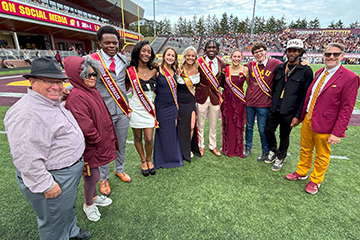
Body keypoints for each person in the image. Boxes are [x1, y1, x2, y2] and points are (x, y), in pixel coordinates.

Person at [4, 58, 91, 240]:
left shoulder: (48, 101)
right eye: (48, 81)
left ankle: (71, 233)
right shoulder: (28, 114)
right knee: (53, 222)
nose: (56, 86)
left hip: (65, 171)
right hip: (53, 176)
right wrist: (46, 184)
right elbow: (25, 158)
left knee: (65, 209)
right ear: (33, 82)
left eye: (58, 81)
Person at [285, 43, 360, 194]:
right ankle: (302, 171)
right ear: (323, 55)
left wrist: (338, 132)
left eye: (335, 54)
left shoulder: (350, 77)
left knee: (322, 154)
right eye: (328, 54)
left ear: (342, 56)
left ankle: (316, 180)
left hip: (326, 123)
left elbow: (347, 108)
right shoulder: (319, 72)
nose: (331, 57)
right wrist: (300, 117)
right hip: (308, 118)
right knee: (305, 149)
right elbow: (310, 96)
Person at [64, 56, 117, 221]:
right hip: (90, 146)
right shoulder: (77, 96)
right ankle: (88, 204)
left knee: (94, 174)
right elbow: (86, 126)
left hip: (97, 142)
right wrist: (99, 140)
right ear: (78, 76)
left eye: (95, 74)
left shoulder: (90, 90)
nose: (93, 77)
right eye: (88, 74)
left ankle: (93, 198)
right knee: (92, 176)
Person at [90, 25, 132, 196]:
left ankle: (119, 169)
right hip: (102, 112)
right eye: (107, 43)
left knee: (120, 143)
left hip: (122, 110)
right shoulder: (91, 60)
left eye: (114, 42)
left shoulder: (123, 60)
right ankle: (104, 178)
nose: (112, 46)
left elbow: (127, 81)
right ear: (100, 43)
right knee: (104, 146)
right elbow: (82, 82)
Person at [264, 39, 314, 171]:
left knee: (284, 135)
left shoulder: (306, 70)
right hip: (275, 107)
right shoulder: (280, 68)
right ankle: (273, 150)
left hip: (290, 110)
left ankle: (281, 157)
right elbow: (275, 88)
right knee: (267, 130)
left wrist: (298, 116)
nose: (292, 53)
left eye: (295, 51)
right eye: (290, 50)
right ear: (286, 52)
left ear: (300, 52)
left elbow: (306, 95)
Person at [244, 42, 282, 161]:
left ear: (266, 51)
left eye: (261, 51)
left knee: (262, 129)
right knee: (249, 126)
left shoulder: (275, 63)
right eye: (256, 52)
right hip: (249, 102)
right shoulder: (249, 65)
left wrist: (303, 62)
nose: (259, 54)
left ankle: (265, 151)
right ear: (253, 55)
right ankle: (247, 147)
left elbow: (289, 66)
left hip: (264, 104)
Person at [126, 40, 157, 176]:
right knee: (137, 137)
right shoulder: (130, 71)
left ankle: (149, 159)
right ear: (138, 52)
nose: (146, 54)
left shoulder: (155, 70)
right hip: (135, 108)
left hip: (149, 109)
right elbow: (124, 89)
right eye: (144, 51)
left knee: (149, 138)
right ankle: (143, 160)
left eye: (149, 51)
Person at [196, 40, 228, 157]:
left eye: (214, 47)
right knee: (200, 123)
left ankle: (212, 146)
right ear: (205, 50)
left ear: (217, 49)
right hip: (201, 97)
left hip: (215, 97)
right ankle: (201, 145)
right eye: (209, 47)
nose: (211, 49)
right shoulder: (199, 62)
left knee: (213, 124)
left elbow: (225, 80)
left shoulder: (222, 63)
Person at [153, 47, 183, 169]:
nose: (170, 57)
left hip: (172, 106)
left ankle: (172, 158)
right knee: (161, 132)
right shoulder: (157, 69)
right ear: (164, 56)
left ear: (175, 58)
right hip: (160, 106)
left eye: (173, 56)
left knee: (171, 132)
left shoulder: (176, 71)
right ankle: (160, 160)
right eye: (168, 55)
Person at [221, 48, 248, 157]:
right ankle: (228, 147)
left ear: (242, 58)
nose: (236, 59)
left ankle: (238, 148)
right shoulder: (226, 69)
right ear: (231, 58)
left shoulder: (246, 69)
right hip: (227, 100)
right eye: (234, 56)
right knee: (228, 122)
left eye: (238, 57)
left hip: (240, 100)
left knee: (238, 123)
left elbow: (251, 85)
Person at [177, 46, 201, 162]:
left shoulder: (198, 69)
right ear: (185, 56)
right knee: (181, 128)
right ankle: (181, 149)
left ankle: (187, 148)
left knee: (191, 126)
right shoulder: (178, 69)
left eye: (192, 56)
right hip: (179, 102)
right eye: (188, 55)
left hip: (191, 101)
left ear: (195, 57)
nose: (190, 58)